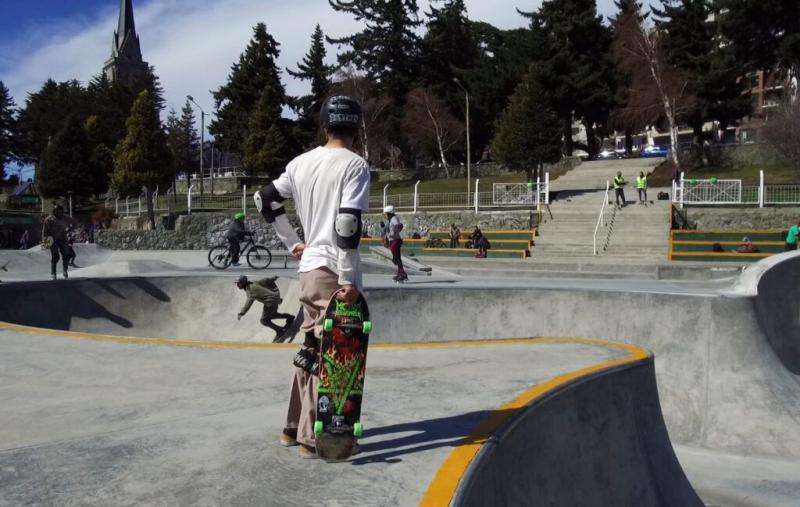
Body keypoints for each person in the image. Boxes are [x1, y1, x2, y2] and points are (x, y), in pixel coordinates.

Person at [253, 95, 370, 459]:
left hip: (308, 270)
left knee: (309, 348)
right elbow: (347, 224)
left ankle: (292, 427)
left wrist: (293, 243)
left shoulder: (300, 163)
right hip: (334, 270)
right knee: (331, 353)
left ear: (324, 126)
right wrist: (348, 277)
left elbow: (264, 199)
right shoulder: (355, 165)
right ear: (357, 128)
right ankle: (310, 436)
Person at [236, 275, 294, 339]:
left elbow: (248, 304)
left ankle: (280, 330)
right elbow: (265, 280)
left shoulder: (250, 291)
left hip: (270, 301)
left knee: (264, 320)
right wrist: (273, 278)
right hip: (275, 297)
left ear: (243, 282)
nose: (237, 285)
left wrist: (241, 313)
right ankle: (290, 317)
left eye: (239, 283)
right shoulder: (254, 283)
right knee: (272, 315)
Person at [41, 205, 77, 280]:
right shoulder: (49, 219)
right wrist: (45, 242)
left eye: (61, 211)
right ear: (54, 212)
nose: (60, 213)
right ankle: (53, 273)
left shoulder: (66, 218)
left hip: (63, 239)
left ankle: (65, 271)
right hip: (53, 239)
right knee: (55, 256)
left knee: (66, 255)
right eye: (58, 212)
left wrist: (69, 230)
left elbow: (74, 223)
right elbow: (44, 231)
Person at [383, 205, 407, 282]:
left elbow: (399, 225)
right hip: (394, 241)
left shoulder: (393, 218)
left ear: (389, 213)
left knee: (396, 259)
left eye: (386, 214)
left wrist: (392, 233)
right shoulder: (392, 219)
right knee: (397, 258)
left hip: (395, 241)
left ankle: (402, 274)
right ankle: (401, 273)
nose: (385, 215)